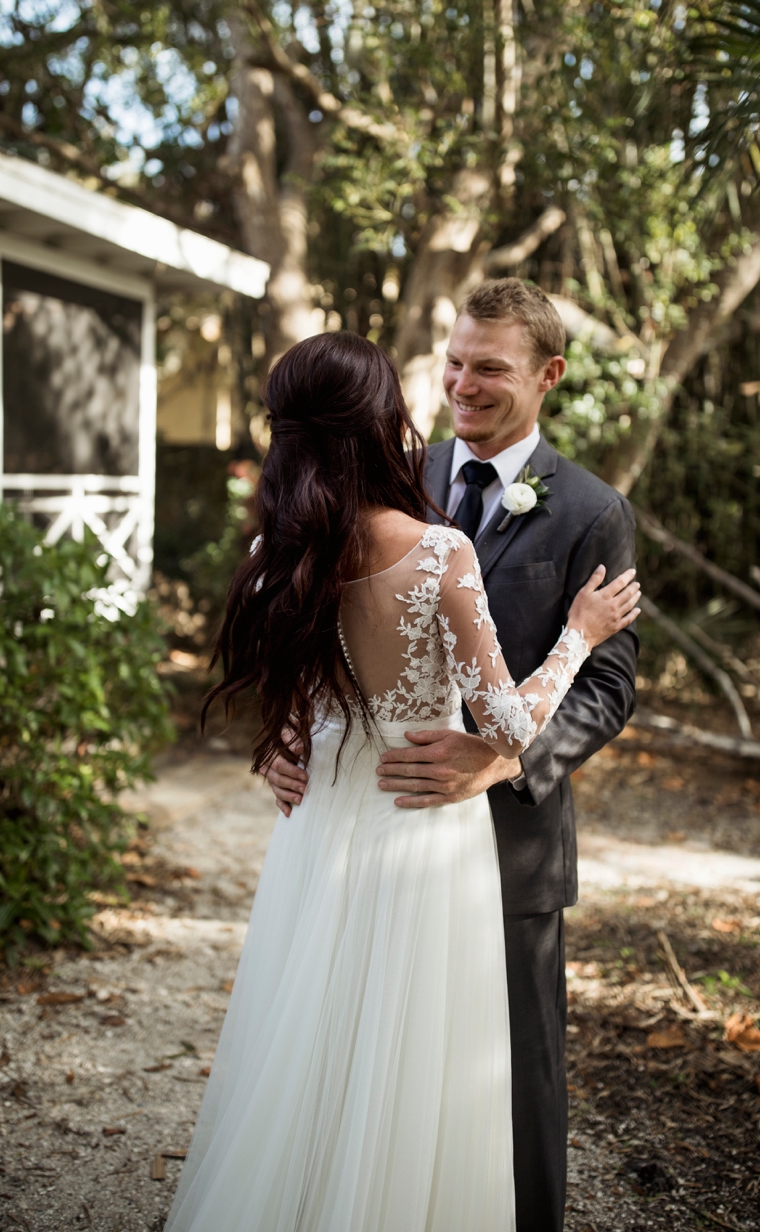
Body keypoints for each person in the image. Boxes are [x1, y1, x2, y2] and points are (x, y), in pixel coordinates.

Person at [166, 329, 640, 1232]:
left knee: (474, 1066)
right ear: (378, 416)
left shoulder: (592, 510)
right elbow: (485, 707)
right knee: (353, 1045)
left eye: (486, 367)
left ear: (548, 376)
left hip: (381, 832)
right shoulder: (421, 520)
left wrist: (493, 766)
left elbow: (606, 699)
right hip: (409, 830)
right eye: (451, 363)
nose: (460, 383)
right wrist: (580, 632)